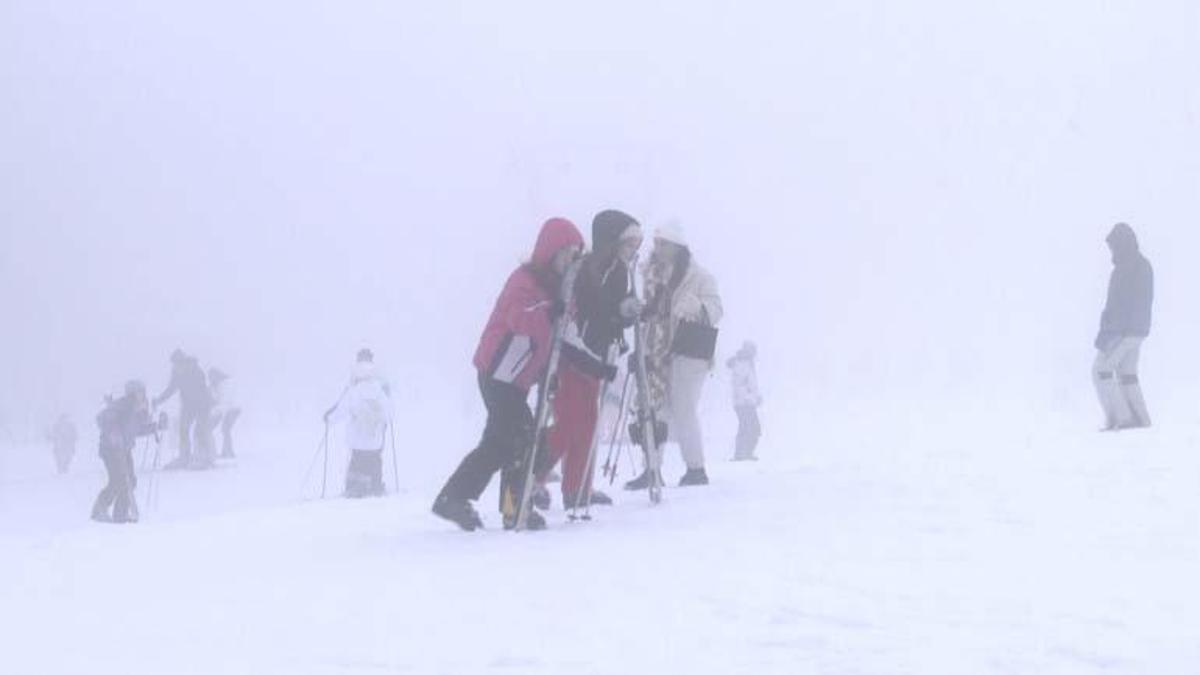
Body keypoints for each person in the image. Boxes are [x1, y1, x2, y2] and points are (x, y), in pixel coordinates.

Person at [432, 217, 584, 531]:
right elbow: (520, 320)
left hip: (516, 378)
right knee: (522, 438)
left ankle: (460, 499)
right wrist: (549, 311)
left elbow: (550, 342)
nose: (570, 261)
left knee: (501, 443)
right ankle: (513, 508)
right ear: (550, 251)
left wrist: (547, 373)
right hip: (498, 372)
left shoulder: (558, 291)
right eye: (566, 253)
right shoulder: (525, 281)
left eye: (574, 255)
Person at [539, 209, 644, 510]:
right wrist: (616, 312)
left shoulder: (620, 271)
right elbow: (581, 309)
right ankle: (534, 478)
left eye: (636, 244)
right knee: (570, 421)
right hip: (573, 354)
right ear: (611, 241)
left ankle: (577, 489)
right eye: (628, 243)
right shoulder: (585, 269)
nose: (632, 250)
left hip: (596, 355)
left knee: (587, 421)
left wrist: (625, 312)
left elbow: (609, 314)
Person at [625, 221, 723, 489]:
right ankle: (652, 469)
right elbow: (649, 314)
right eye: (656, 243)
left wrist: (698, 307)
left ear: (678, 247)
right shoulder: (651, 275)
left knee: (683, 408)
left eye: (664, 243)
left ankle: (695, 468)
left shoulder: (699, 277)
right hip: (656, 351)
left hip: (688, 352)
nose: (658, 248)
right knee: (654, 409)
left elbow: (716, 309)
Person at [1093, 222, 1154, 431]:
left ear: (1122, 244)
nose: (1111, 250)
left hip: (1123, 331)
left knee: (1101, 369)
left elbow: (1118, 305)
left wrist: (1109, 333)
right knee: (1127, 373)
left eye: (1113, 246)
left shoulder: (1126, 268)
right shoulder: (1142, 265)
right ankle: (1141, 419)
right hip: (1138, 330)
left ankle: (1121, 418)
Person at [324, 349, 393, 498]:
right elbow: (388, 413)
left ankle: (355, 488)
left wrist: (329, 419)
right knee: (375, 460)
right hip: (375, 439)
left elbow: (341, 410)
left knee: (357, 460)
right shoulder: (378, 389)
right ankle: (376, 486)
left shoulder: (354, 390)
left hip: (357, 439)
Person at [92, 381, 161, 523]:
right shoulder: (123, 405)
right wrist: (113, 433)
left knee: (130, 481)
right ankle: (99, 510)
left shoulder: (140, 409)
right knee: (118, 480)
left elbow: (137, 430)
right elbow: (102, 419)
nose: (142, 394)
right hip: (110, 449)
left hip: (125, 449)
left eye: (143, 391)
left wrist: (156, 427)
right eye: (139, 391)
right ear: (132, 393)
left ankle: (120, 514)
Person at [153, 350, 216, 470]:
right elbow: (171, 389)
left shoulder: (196, 371)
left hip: (202, 404)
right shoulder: (177, 373)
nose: (176, 366)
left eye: (177, 363)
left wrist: (194, 404)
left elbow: (201, 391)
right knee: (183, 429)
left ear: (183, 362)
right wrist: (159, 400)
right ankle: (184, 456)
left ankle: (203, 457)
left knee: (199, 430)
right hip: (189, 406)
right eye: (174, 364)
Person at [727, 341, 763, 461]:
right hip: (743, 403)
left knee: (751, 428)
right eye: (752, 351)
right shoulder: (741, 365)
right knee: (748, 427)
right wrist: (752, 398)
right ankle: (741, 454)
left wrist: (757, 397)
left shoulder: (748, 364)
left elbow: (752, 385)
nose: (754, 354)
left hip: (747, 402)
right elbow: (740, 386)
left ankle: (746, 453)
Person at [208, 367, 242, 459]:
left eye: (211, 377)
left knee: (225, 429)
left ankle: (229, 452)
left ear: (216, 375)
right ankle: (227, 451)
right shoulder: (220, 384)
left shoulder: (226, 384)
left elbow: (224, 401)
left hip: (233, 409)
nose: (210, 379)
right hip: (232, 408)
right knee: (225, 429)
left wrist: (215, 412)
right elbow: (217, 399)